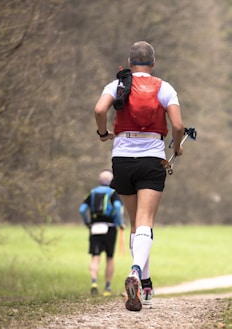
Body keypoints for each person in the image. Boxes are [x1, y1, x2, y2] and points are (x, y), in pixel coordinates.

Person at [94, 41, 184, 311]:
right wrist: (177, 147)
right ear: (153, 63)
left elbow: (99, 110)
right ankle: (135, 271)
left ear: (130, 63)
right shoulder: (164, 88)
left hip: (122, 159)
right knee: (146, 222)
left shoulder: (117, 85)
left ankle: (145, 284)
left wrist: (103, 133)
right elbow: (178, 125)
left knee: (135, 223)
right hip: (152, 158)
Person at [79, 170, 124, 296]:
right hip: (109, 227)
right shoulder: (113, 193)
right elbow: (117, 207)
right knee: (109, 258)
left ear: (99, 181)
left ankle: (94, 282)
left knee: (95, 256)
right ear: (111, 181)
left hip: (94, 227)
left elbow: (82, 209)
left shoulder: (92, 192)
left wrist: (87, 223)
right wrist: (119, 223)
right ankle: (107, 288)